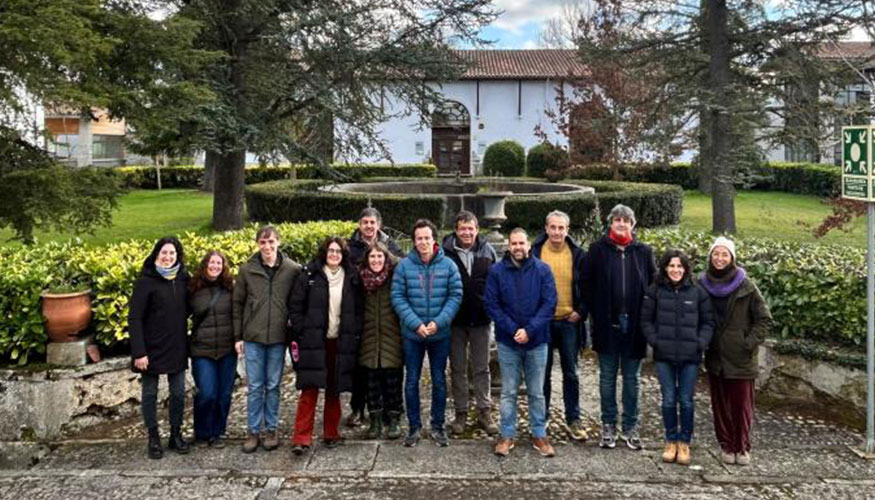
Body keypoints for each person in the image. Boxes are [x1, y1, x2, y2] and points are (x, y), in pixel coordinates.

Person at [582, 204, 655, 450]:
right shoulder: (597, 250)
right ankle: (608, 424)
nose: (622, 224)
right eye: (617, 220)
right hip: (607, 324)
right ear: (610, 223)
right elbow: (586, 285)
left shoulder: (644, 252)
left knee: (632, 379)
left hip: (635, 326)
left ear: (633, 224)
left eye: (626, 220)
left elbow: (653, 286)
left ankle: (630, 425)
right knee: (607, 377)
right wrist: (596, 313)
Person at [485, 228, 558, 458]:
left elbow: (549, 304)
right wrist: (513, 329)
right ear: (509, 246)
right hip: (508, 341)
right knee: (508, 392)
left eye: (521, 243)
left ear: (529, 245)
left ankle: (539, 433)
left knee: (536, 392)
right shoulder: (497, 271)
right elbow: (492, 304)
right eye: (514, 243)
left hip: (537, 341)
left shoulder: (543, 270)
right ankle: (506, 434)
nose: (518, 247)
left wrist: (529, 330)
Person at [700, 236, 772, 466]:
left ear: (732, 258)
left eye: (724, 254)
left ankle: (742, 446)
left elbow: (763, 319)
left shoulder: (746, 285)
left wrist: (748, 343)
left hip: (740, 357)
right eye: (716, 254)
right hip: (715, 356)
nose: (719, 258)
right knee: (720, 405)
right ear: (710, 256)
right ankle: (726, 445)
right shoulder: (701, 283)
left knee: (741, 406)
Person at [391, 218, 463, 447]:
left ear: (434, 240)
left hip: (439, 334)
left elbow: (455, 295)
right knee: (411, 380)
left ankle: (438, 426)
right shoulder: (404, 266)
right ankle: (414, 427)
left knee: (439, 380)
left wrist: (439, 322)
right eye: (419, 238)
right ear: (414, 241)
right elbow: (398, 297)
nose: (423, 242)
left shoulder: (449, 265)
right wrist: (415, 323)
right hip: (413, 334)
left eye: (427, 238)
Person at [288, 237, 363, 454]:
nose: (334, 254)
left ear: (343, 254)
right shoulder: (309, 274)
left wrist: (353, 332)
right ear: (324, 252)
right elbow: (295, 306)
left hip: (339, 340)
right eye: (331, 250)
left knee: (334, 388)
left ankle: (331, 432)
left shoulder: (351, 276)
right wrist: (303, 331)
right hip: (314, 341)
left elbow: (358, 309)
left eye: (338, 251)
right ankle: (301, 437)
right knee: (309, 389)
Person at [641, 249, 714, 466]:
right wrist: (656, 341)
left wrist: (699, 343)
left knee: (686, 401)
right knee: (669, 400)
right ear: (665, 268)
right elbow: (645, 321)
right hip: (664, 356)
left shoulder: (698, 292)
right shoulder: (655, 291)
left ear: (686, 268)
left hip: (690, 357)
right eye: (671, 266)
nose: (675, 270)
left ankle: (685, 442)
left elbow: (708, 323)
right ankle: (670, 440)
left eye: (679, 266)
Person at [233, 225, 302, 453]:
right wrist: (238, 336)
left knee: (273, 386)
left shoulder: (291, 269)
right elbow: (238, 304)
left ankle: (270, 429)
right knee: (255, 386)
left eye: (271, 242)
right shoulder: (247, 270)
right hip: (253, 337)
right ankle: (253, 431)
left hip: (277, 338)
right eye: (263, 242)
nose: (267, 247)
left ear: (278, 242)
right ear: (258, 245)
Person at [129, 236, 191, 459]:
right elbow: (134, 317)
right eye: (164, 253)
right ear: (156, 254)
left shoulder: (183, 277)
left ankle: (175, 434)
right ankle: (153, 437)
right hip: (150, 348)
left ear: (178, 256)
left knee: (177, 394)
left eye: (172, 253)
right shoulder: (146, 281)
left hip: (176, 345)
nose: (168, 257)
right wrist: (139, 352)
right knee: (150, 394)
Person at [531, 210, 588, 441]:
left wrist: (581, 312)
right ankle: (541, 417)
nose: (556, 232)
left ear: (567, 230)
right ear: (546, 228)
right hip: (543, 323)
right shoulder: (535, 253)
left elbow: (587, 286)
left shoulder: (578, 254)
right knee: (542, 373)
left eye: (561, 228)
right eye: (552, 227)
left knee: (571, 373)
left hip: (568, 322)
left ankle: (573, 419)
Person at [346, 207, 405, 427]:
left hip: (387, 314)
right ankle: (359, 409)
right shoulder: (351, 246)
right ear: (359, 225)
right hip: (362, 311)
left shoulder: (390, 246)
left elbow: (402, 263)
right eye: (365, 222)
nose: (369, 226)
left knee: (390, 371)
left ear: (379, 224)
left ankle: (393, 412)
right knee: (362, 369)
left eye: (372, 222)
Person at [442, 211, 498, 436]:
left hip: (481, 319)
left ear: (477, 229)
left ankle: (484, 411)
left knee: (482, 367)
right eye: (462, 228)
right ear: (456, 230)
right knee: (457, 368)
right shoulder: (445, 253)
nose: (467, 232)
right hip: (454, 321)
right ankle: (461, 413)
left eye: (470, 228)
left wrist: (492, 309)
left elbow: (496, 283)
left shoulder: (488, 251)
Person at [188, 250, 237, 449]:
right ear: (205, 264)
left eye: (219, 263)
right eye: (211, 262)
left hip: (226, 349)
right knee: (207, 393)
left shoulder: (229, 288)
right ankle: (202, 432)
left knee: (224, 394)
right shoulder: (192, 289)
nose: (215, 266)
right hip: (202, 350)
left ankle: (217, 432)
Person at [358, 242, 404, 439]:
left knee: (392, 382)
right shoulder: (360, 280)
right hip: (368, 339)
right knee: (372, 383)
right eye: (372, 257)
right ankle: (375, 420)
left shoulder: (394, 278)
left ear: (386, 259)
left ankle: (394, 418)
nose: (376, 260)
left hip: (391, 337)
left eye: (380, 257)